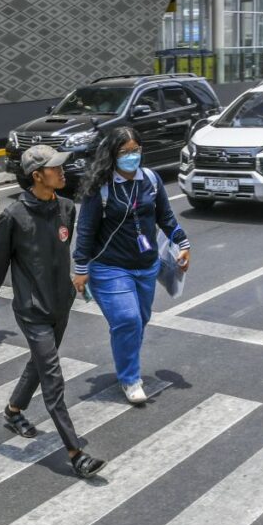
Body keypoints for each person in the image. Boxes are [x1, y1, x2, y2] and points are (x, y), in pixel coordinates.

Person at [0, 145, 106, 479]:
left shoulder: (66, 208)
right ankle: (75, 453)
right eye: (56, 168)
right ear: (37, 176)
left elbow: (64, 250)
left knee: (39, 362)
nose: (63, 171)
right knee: (52, 378)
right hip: (32, 310)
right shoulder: (13, 216)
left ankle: (13, 410)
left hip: (60, 303)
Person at [73, 127, 190, 404]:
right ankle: (130, 378)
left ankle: (126, 362)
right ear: (112, 155)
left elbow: (166, 217)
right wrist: (80, 268)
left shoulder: (150, 179)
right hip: (109, 267)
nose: (131, 157)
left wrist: (183, 245)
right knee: (128, 320)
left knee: (139, 322)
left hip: (146, 265)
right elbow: (86, 229)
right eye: (124, 152)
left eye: (135, 151)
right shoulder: (100, 187)